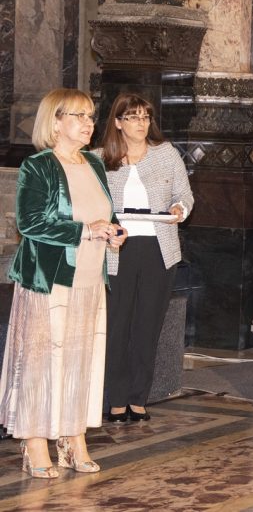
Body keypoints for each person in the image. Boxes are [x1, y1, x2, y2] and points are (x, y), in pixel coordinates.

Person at [1, 89, 127, 477]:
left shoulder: (94, 163)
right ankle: (35, 442)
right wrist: (86, 230)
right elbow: (30, 223)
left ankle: (73, 439)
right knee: (42, 362)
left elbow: (102, 212)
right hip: (50, 278)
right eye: (78, 116)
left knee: (81, 359)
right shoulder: (38, 166)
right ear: (55, 122)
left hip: (90, 278)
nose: (89, 123)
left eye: (90, 116)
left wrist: (113, 231)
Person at [97, 93, 194, 423]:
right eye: (133, 117)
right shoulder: (99, 158)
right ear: (118, 122)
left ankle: (138, 398)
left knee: (147, 325)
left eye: (145, 117)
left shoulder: (166, 153)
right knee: (117, 326)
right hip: (116, 250)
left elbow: (184, 194)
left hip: (157, 248)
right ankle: (116, 398)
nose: (141, 123)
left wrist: (180, 208)